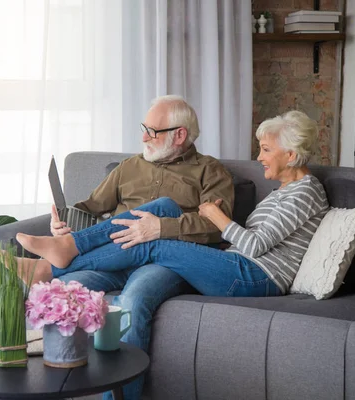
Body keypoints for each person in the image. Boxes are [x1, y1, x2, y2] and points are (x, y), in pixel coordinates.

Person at [14, 109, 329, 305]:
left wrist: (209, 217)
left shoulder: (302, 191)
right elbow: (90, 207)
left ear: (290, 155)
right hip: (225, 265)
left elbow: (247, 241)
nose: (259, 157)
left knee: (152, 248)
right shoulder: (282, 191)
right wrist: (65, 220)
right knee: (162, 208)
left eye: (266, 150)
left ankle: (53, 264)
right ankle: (65, 248)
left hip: (244, 273)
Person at [44, 95, 234, 400]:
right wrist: (63, 223)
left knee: (131, 303)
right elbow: (90, 208)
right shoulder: (129, 167)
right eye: (143, 127)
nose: (143, 136)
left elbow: (216, 226)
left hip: (165, 262)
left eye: (152, 131)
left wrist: (161, 228)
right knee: (62, 288)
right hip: (115, 256)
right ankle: (55, 391)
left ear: (180, 134)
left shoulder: (210, 172)